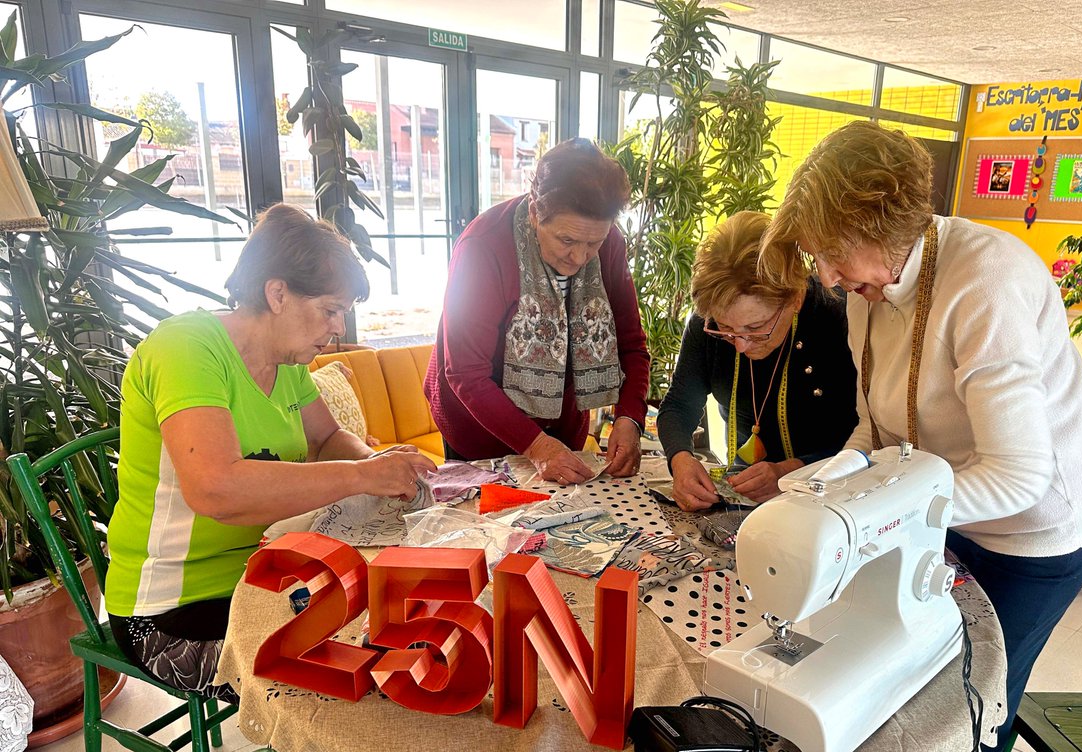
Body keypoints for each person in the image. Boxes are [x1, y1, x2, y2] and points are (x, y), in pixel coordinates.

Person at [760, 121, 1082, 752]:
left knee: (979, 705)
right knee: (912, 667)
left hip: (1037, 530)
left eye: (828, 252)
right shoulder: (870, 289)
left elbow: (1021, 474)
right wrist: (828, 484)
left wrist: (882, 516)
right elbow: (877, 429)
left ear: (876, 232)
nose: (821, 273)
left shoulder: (986, 282)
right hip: (949, 504)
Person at [105, 204, 436, 699]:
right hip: (171, 613)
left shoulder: (289, 362)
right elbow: (217, 489)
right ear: (277, 293)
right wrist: (360, 477)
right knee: (359, 676)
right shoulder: (186, 347)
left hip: (269, 575)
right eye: (329, 310)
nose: (337, 329)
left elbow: (327, 441)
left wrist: (373, 462)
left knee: (411, 628)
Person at [424, 138, 650, 485]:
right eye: (567, 240)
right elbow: (466, 373)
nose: (579, 258)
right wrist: (538, 448)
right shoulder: (482, 247)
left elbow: (632, 345)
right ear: (534, 212)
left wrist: (629, 419)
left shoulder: (611, 246)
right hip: (478, 430)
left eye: (594, 242)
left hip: (562, 427)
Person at [657, 211, 858, 510]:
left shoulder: (840, 319)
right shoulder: (706, 323)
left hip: (832, 499)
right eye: (725, 329)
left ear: (796, 297)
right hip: (746, 495)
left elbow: (863, 437)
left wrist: (789, 472)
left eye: (755, 329)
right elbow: (678, 406)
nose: (739, 345)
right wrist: (680, 458)